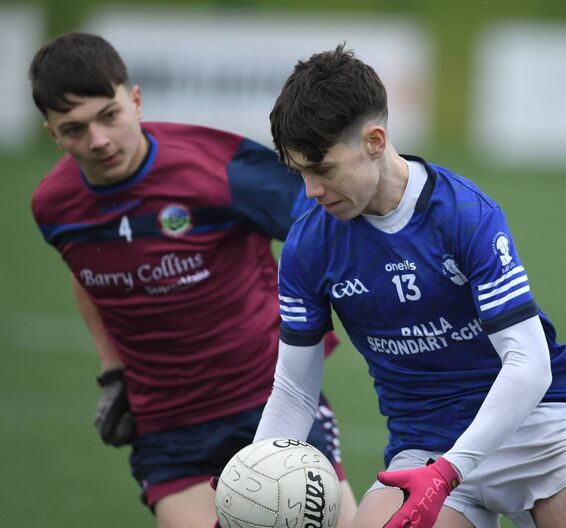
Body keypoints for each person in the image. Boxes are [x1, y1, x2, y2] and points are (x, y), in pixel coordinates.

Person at [253, 44, 566, 528]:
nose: (311, 190)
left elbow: (529, 363)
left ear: (375, 141)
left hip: (536, 426)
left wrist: (451, 471)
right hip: (425, 442)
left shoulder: (464, 215)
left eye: (322, 169)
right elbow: (293, 391)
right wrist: (253, 480)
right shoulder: (308, 244)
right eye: (301, 173)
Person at [28, 32, 357, 528]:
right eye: (74, 130)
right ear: (53, 134)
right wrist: (112, 368)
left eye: (108, 116)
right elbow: (86, 270)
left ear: (134, 101)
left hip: (273, 400)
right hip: (169, 430)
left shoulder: (219, 168)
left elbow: (325, 224)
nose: (97, 141)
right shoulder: (54, 207)